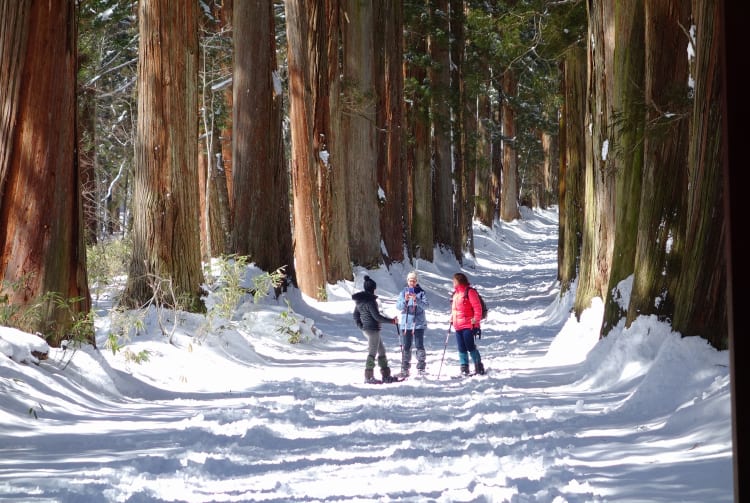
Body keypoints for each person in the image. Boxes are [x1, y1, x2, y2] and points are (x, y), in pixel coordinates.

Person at [352, 275, 399, 384]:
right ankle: (368, 377)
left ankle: (386, 375)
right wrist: (392, 321)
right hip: (372, 330)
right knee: (372, 352)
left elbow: (355, 316)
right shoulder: (371, 301)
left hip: (368, 330)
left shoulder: (360, 301)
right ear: (373, 289)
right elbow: (377, 317)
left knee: (381, 350)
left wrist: (361, 326)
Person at [450, 272, 485, 376]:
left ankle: (478, 365)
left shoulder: (469, 292)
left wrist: (476, 319)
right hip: (458, 325)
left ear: (459, 281)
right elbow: (455, 310)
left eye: (454, 281)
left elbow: (477, 307)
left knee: (470, 346)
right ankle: (464, 368)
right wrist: (452, 318)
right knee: (461, 348)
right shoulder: (455, 294)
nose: (453, 283)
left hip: (469, 325)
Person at [396, 270, 429, 377]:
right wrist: (405, 300)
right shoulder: (403, 292)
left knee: (419, 345)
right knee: (406, 346)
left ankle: (421, 367)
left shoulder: (421, 292)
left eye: (414, 281)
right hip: (406, 324)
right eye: (410, 281)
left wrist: (417, 300)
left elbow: (426, 306)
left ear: (417, 281)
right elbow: (398, 307)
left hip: (418, 323)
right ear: (407, 281)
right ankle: (405, 368)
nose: (412, 283)